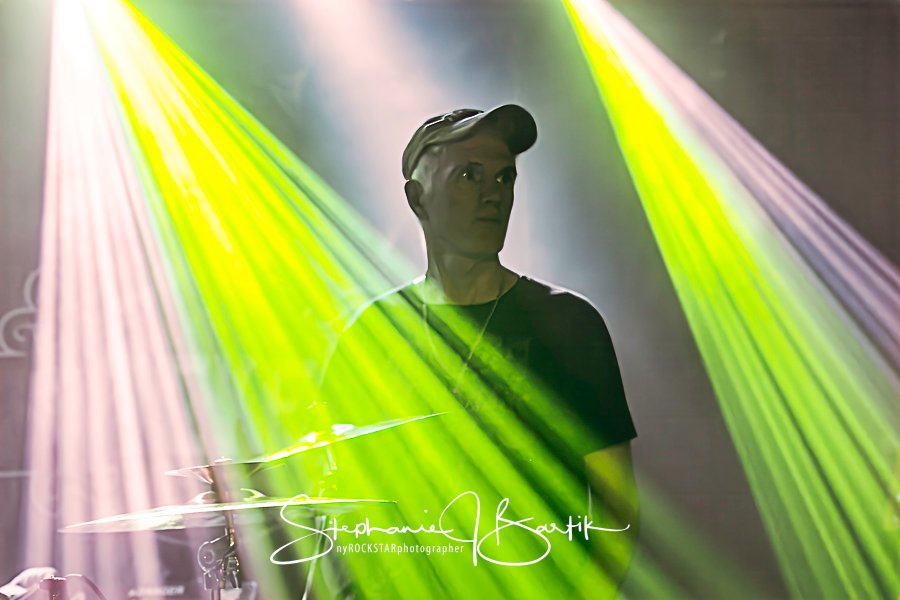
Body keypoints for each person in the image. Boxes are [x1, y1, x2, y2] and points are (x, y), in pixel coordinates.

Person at [317, 104, 639, 599]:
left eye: (505, 177)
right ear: (418, 199)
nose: (494, 193)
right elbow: (337, 511)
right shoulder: (373, 334)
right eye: (469, 175)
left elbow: (616, 511)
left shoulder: (569, 324)